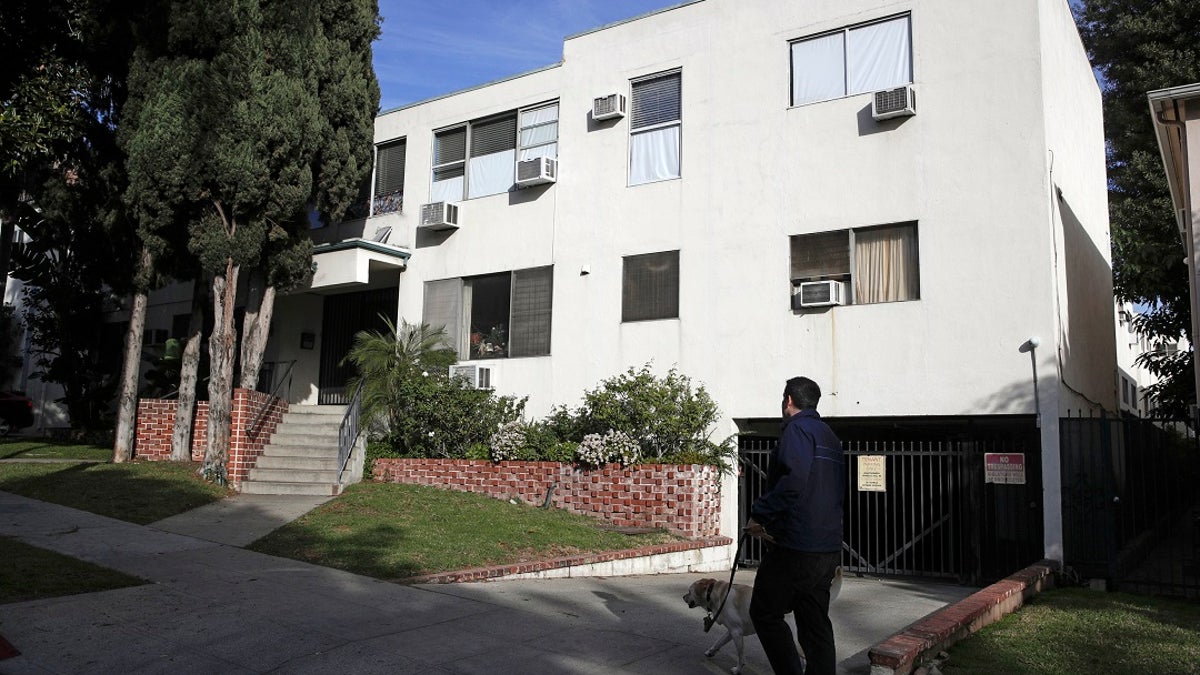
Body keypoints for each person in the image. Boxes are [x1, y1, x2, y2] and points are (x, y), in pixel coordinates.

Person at [744, 376, 844, 675]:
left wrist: (759, 515)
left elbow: (792, 482)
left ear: (788, 400)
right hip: (826, 547)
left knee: (763, 611)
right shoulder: (829, 435)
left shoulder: (796, 430)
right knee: (814, 622)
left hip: (797, 547)